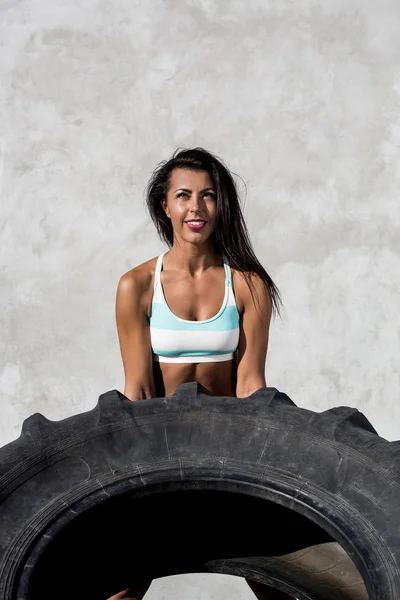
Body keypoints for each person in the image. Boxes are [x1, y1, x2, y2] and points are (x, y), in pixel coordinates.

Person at [112, 147, 294, 600]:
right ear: (165, 205)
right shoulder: (136, 285)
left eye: (208, 195)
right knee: (120, 587)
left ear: (221, 204)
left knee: (276, 582)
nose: (197, 207)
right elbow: (137, 388)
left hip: (229, 449)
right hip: (160, 449)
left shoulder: (249, 284)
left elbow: (251, 382)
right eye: (184, 195)